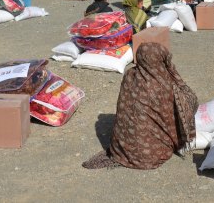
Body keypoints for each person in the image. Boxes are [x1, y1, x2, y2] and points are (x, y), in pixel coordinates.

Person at [82, 42, 197, 170]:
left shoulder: (129, 75)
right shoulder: (163, 82)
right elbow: (181, 108)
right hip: (153, 156)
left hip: (123, 150)